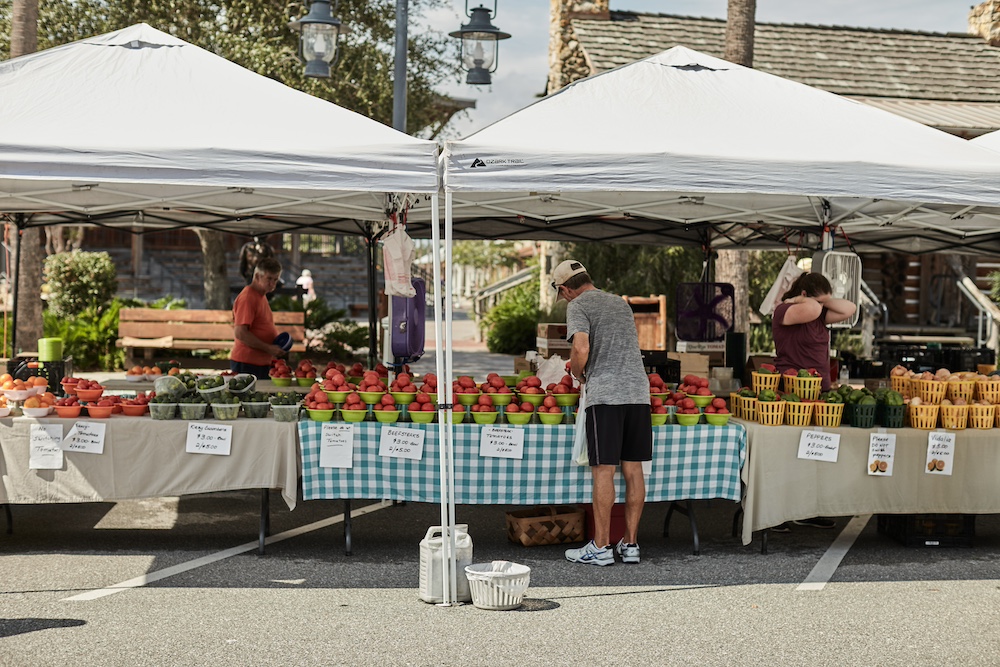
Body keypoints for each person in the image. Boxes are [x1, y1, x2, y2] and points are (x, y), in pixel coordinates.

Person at [557, 260, 652, 566]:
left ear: (565, 288)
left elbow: (581, 349)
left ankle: (600, 546)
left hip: (606, 393)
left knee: (604, 470)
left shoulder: (578, 305)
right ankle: (631, 544)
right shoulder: (620, 303)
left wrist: (577, 373)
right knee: (634, 469)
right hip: (638, 392)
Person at [771, 271, 857, 530]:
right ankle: (777, 512)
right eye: (819, 300)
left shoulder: (818, 312)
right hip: (793, 391)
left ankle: (808, 509)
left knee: (815, 454)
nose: (823, 306)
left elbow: (849, 308)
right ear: (805, 295)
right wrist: (802, 299)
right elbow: (809, 309)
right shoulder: (785, 310)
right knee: (787, 454)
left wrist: (824, 299)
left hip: (820, 393)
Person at [230, 257, 286, 379]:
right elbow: (240, 333)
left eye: (275, 280)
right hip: (247, 363)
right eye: (269, 279)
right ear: (257, 276)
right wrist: (269, 348)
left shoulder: (261, 295)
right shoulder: (248, 297)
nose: (272, 284)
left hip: (260, 362)